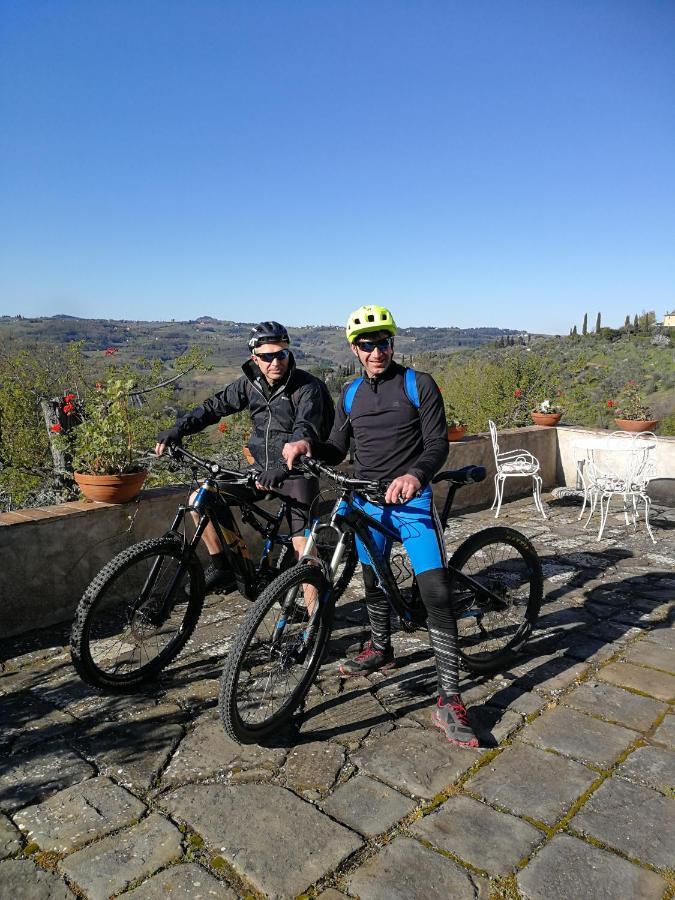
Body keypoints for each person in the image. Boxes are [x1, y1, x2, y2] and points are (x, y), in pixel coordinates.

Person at [282, 305, 478, 748]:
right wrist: (306, 443)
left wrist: (415, 475)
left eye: (383, 342)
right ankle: (380, 648)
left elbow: (436, 444)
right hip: (368, 503)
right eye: (367, 345)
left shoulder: (417, 384)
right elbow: (336, 447)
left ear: (392, 343)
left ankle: (449, 699)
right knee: (374, 580)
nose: (376, 351)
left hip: (411, 504)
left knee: (437, 595)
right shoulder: (351, 394)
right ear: (355, 349)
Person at [155, 321, 328, 594]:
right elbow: (214, 407)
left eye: (281, 354)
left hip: (297, 474)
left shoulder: (307, 387)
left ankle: (316, 624)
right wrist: (178, 429)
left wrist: (286, 464)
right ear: (254, 358)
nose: (275, 362)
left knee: (303, 550)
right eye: (267, 356)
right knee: (200, 499)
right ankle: (223, 566)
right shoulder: (250, 385)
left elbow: (305, 427)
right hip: (260, 470)